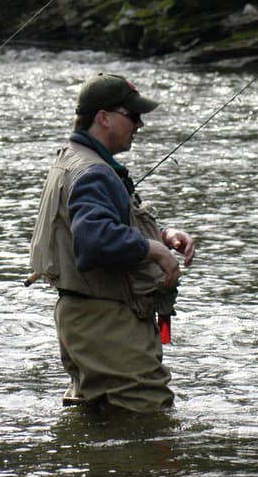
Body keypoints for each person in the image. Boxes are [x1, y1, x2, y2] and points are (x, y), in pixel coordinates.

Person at [27, 73, 196, 413]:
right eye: (133, 116)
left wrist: (162, 235)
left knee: (99, 419)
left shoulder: (72, 159)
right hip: (106, 320)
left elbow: (92, 224)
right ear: (104, 117)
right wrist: (154, 250)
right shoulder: (94, 171)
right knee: (146, 418)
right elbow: (94, 240)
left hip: (83, 319)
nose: (140, 124)